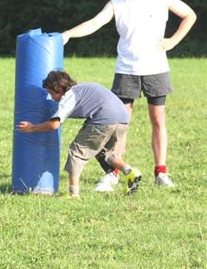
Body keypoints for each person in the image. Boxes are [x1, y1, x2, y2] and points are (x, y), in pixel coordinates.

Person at [61, 0, 197, 191]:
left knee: (158, 120)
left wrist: (173, 41)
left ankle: (161, 172)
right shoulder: (117, 2)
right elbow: (95, 23)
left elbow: (189, 15)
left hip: (155, 69)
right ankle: (114, 172)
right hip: (126, 71)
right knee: (120, 124)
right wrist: (68, 34)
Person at [16, 70, 142, 198]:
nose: (51, 98)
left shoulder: (69, 96)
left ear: (58, 88)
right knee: (106, 153)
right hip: (123, 119)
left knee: (76, 151)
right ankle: (130, 171)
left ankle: (73, 194)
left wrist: (32, 128)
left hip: (104, 119)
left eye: (51, 93)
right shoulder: (82, 88)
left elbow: (54, 125)